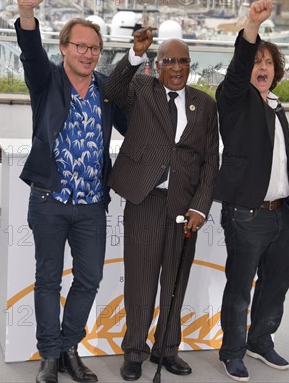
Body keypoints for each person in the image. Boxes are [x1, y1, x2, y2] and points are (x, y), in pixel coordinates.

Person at [15, 0, 126, 383]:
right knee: (47, 278)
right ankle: (48, 355)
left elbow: (138, 127)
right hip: (49, 199)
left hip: (93, 204)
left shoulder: (107, 90)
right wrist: (27, 13)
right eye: (81, 46)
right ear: (64, 48)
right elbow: (30, 52)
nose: (88, 54)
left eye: (94, 48)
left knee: (90, 278)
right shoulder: (46, 82)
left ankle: (68, 348)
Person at [105, 28, 219, 381]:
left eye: (182, 60)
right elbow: (111, 92)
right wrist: (135, 54)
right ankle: (135, 352)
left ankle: (167, 349)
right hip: (145, 200)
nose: (176, 66)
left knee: (175, 281)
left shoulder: (205, 104)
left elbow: (210, 161)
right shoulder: (142, 89)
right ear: (157, 65)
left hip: (184, 208)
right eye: (168, 60)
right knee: (140, 282)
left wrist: (200, 207)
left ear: (189, 65)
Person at [213, 0, 289, 382]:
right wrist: (251, 26)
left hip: (281, 215)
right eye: (256, 62)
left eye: (268, 62)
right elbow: (238, 69)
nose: (261, 67)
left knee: (277, 283)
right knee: (239, 288)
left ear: (276, 70)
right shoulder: (234, 101)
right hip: (246, 214)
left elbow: (284, 164)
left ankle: (260, 341)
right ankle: (231, 351)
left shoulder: (277, 107)